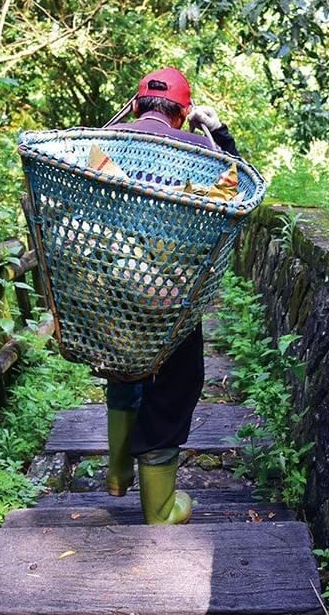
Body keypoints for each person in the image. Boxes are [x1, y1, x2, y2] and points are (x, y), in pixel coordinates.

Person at [102, 67, 238, 525]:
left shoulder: (103, 144)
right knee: (178, 383)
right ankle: (159, 508)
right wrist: (216, 130)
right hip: (174, 296)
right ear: (182, 115)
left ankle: (118, 473)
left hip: (112, 292)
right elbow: (238, 189)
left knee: (126, 367)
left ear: (137, 105)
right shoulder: (198, 147)